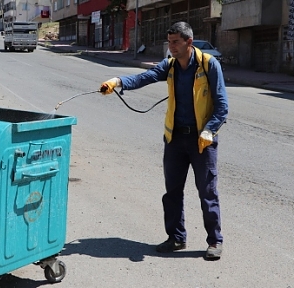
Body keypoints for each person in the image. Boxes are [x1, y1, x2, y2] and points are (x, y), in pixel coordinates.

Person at [99, 21, 228, 260]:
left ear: (189, 42)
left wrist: (210, 131)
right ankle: (176, 237)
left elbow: (222, 106)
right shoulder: (169, 66)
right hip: (175, 139)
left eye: (175, 42)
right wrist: (117, 82)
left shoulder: (209, 65)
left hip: (202, 141)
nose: (171, 47)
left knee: (207, 192)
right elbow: (144, 77)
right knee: (172, 192)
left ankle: (214, 241)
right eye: (169, 42)